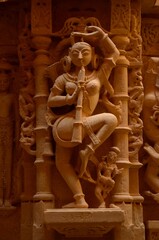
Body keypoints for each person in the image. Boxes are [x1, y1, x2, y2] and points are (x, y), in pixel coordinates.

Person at [47, 26, 120, 208]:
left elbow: (115, 53)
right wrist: (69, 98)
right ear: (70, 55)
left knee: (111, 119)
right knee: (62, 163)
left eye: (85, 53)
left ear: (93, 54)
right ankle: (80, 199)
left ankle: (88, 150)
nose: (80, 57)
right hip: (68, 123)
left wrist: (102, 35)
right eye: (76, 53)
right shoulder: (64, 78)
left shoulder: (100, 74)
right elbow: (51, 101)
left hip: (86, 119)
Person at [0, 59, 14, 207]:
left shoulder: (11, 97)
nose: (2, 85)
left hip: (9, 132)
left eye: (5, 82)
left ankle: (8, 197)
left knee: (8, 164)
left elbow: (16, 118)